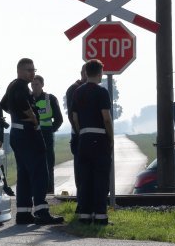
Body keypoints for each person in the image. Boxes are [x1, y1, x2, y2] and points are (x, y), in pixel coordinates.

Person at [0, 58, 64, 225]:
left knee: (25, 174)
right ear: (20, 70)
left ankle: (23, 212)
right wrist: (32, 117)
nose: (32, 73)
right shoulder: (21, 86)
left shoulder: (12, 85)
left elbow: (4, 103)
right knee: (39, 172)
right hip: (27, 133)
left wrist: (16, 114)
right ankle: (41, 211)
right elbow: (21, 101)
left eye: (33, 70)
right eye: (28, 70)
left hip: (17, 132)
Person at [71, 59, 114, 225]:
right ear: (100, 72)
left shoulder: (77, 92)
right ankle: (100, 216)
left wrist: (82, 131)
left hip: (83, 138)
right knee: (100, 178)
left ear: (86, 72)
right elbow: (106, 118)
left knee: (85, 179)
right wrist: (110, 138)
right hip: (99, 137)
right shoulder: (101, 92)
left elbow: (74, 117)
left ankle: (85, 215)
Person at [30, 75, 63, 194]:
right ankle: (34, 192)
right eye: (32, 85)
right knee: (33, 165)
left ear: (42, 85)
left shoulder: (50, 99)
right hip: (32, 135)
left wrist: (51, 129)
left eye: (37, 84)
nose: (34, 87)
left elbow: (59, 119)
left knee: (48, 164)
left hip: (47, 135)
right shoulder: (28, 99)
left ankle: (49, 192)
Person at [65, 65, 88, 197]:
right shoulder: (74, 89)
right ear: (82, 73)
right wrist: (79, 132)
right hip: (79, 135)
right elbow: (71, 115)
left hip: (89, 134)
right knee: (80, 170)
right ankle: (81, 200)